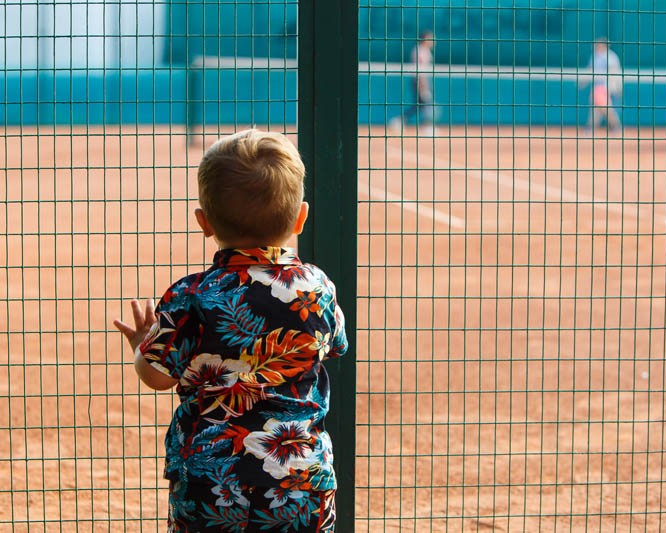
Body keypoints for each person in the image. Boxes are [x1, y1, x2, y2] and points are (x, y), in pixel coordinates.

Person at [113, 129, 348, 532]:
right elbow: (334, 346)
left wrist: (142, 345)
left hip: (210, 487)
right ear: (300, 218)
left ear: (204, 222)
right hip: (301, 484)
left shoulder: (191, 295)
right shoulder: (317, 289)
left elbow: (157, 376)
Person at [389, 30, 436, 135]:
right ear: (425, 39)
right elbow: (420, 70)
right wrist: (423, 87)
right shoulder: (421, 51)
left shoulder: (423, 50)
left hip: (420, 80)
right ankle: (426, 126)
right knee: (424, 104)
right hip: (419, 80)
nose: (433, 41)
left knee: (418, 105)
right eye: (430, 38)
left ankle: (399, 121)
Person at [582, 38, 623, 134]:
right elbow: (590, 70)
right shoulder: (595, 56)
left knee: (603, 107)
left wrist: (615, 87)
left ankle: (615, 126)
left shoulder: (611, 57)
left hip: (607, 86)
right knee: (596, 106)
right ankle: (592, 127)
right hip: (597, 86)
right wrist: (584, 81)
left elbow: (614, 72)